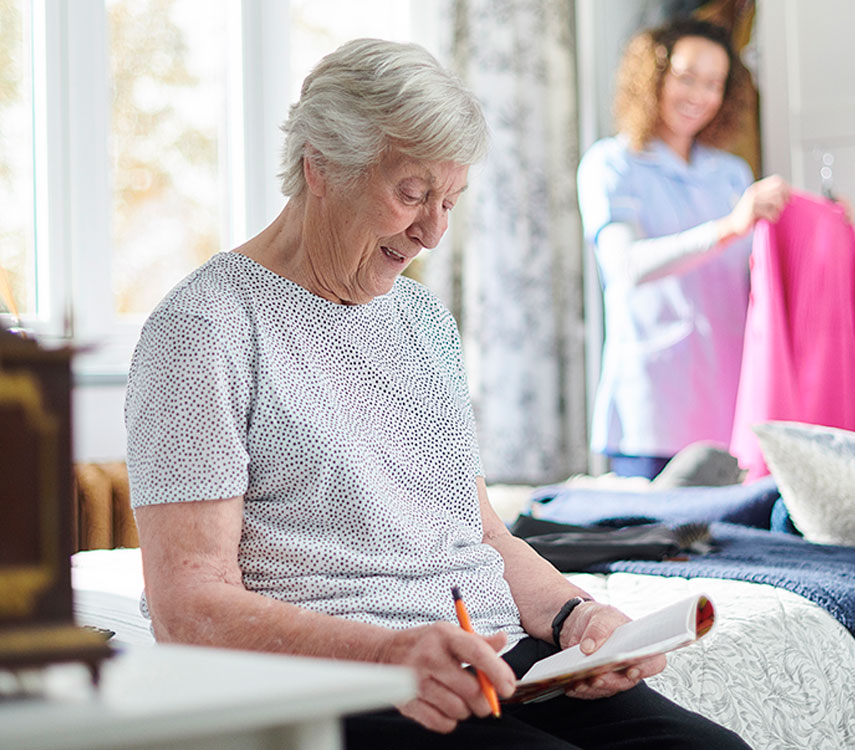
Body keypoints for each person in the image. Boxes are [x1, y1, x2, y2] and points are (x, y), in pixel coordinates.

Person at [125, 38, 749, 750]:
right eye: (413, 193)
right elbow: (187, 607)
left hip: (487, 660)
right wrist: (388, 654)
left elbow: (480, 533)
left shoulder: (424, 323)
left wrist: (579, 621)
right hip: (343, 681)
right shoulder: (203, 329)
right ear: (320, 166)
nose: (432, 231)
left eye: (449, 200)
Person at [577, 18, 793, 480]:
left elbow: (761, 272)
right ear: (653, 77)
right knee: (652, 545)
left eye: (714, 84)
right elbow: (626, 266)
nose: (700, 95)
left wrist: (824, 223)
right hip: (651, 409)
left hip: (731, 405)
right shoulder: (611, 165)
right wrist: (728, 226)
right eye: (687, 77)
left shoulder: (732, 174)